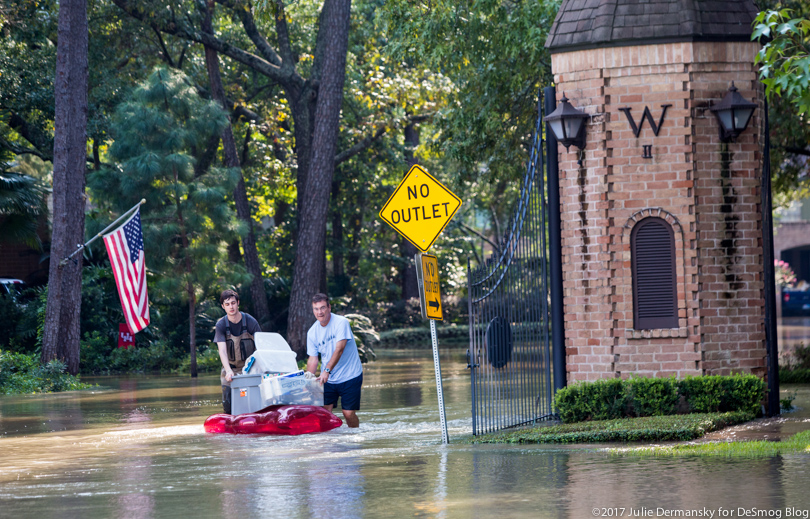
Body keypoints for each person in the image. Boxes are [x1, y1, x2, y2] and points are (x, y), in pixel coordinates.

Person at [306, 293, 363, 428]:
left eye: (322, 308)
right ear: (313, 310)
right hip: (329, 379)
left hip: (350, 375)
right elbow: (313, 359)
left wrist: (326, 370)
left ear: (329, 307)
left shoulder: (340, 323)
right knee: (324, 413)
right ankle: (330, 442)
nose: (320, 312)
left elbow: (339, 349)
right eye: (316, 309)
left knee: (348, 414)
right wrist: (307, 379)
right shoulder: (312, 332)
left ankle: (355, 435)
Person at [214, 289, 261, 414]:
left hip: (251, 368)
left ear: (238, 303)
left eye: (233, 303)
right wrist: (228, 371)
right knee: (228, 405)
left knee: (253, 401)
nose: (231, 307)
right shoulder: (221, 325)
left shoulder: (251, 321)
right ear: (223, 306)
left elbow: (261, 347)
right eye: (228, 304)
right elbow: (222, 351)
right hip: (230, 369)